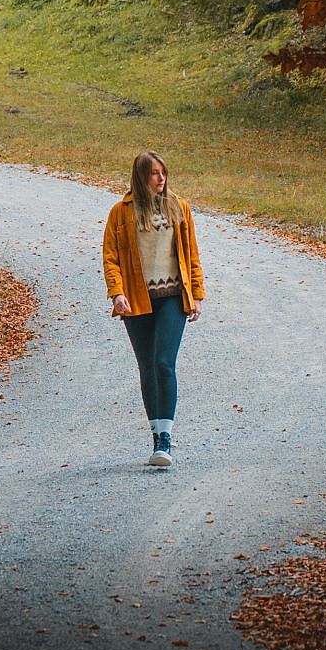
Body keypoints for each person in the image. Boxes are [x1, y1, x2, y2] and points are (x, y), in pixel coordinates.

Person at [101, 150, 205, 469]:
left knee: (163, 362)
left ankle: (166, 439)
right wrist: (117, 294)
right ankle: (156, 434)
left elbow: (192, 255)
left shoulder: (179, 208)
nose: (161, 179)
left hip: (173, 296)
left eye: (163, 173)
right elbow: (111, 258)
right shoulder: (121, 213)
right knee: (146, 366)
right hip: (136, 299)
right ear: (141, 176)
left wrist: (197, 294)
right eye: (154, 173)